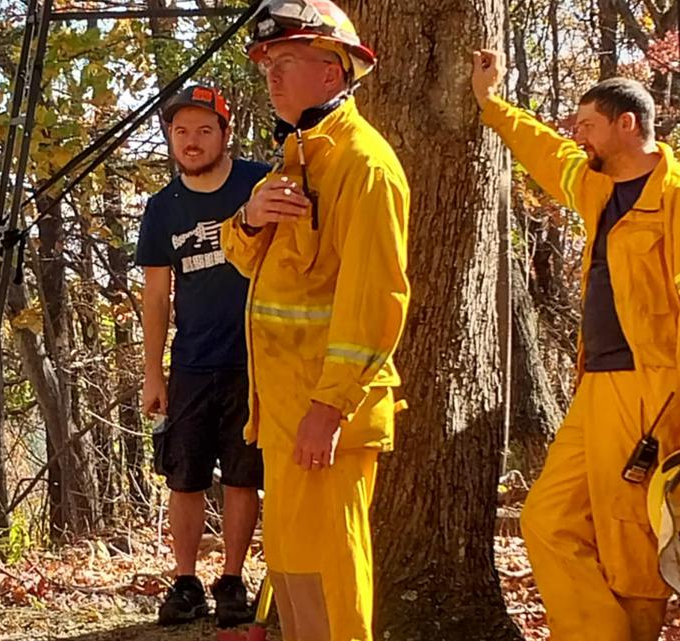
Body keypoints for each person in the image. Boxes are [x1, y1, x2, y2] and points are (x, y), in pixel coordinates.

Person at [471, 49, 680, 641]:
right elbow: (548, 155)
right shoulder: (600, 186)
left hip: (654, 394)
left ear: (626, 124)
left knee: (633, 545)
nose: (576, 134)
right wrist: (492, 104)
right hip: (596, 387)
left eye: (587, 124)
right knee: (546, 518)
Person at [220, 2, 410, 639]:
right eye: (268, 63)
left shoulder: (365, 167)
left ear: (333, 75)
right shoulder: (297, 156)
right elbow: (260, 270)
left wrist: (329, 407)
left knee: (330, 572)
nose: (270, 75)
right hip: (282, 413)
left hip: (325, 419)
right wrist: (250, 218)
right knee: (294, 568)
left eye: (286, 61)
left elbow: (375, 299)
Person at [136, 84, 269, 628]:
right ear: (170, 138)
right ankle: (185, 581)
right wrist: (153, 373)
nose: (191, 141)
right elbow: (155, 294)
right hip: (191, 361)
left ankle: (233, 579)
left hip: (257, 359)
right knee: (184, 477)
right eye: (181, 131)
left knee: (242, 476)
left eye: (203, 130)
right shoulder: (162, 207)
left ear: (224, 133)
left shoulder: (257, 183)